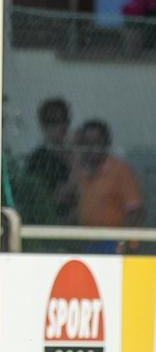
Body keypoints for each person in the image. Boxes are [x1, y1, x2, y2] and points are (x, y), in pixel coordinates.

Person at [73, 120, 145, 253]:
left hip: (113, 243)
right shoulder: (82, 172)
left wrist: (124, 242)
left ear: (106, 144)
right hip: (87, 243)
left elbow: (136, 211)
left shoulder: (120, 170)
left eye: (96, 142)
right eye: (86, 143)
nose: (91, 148)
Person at [24, 98, 74, 223]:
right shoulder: (39, 160)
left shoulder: (80, 154)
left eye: (64, 120)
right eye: (54, 122)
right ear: (43, 126)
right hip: (51, 221)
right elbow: (40, 198)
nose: (61, 127)